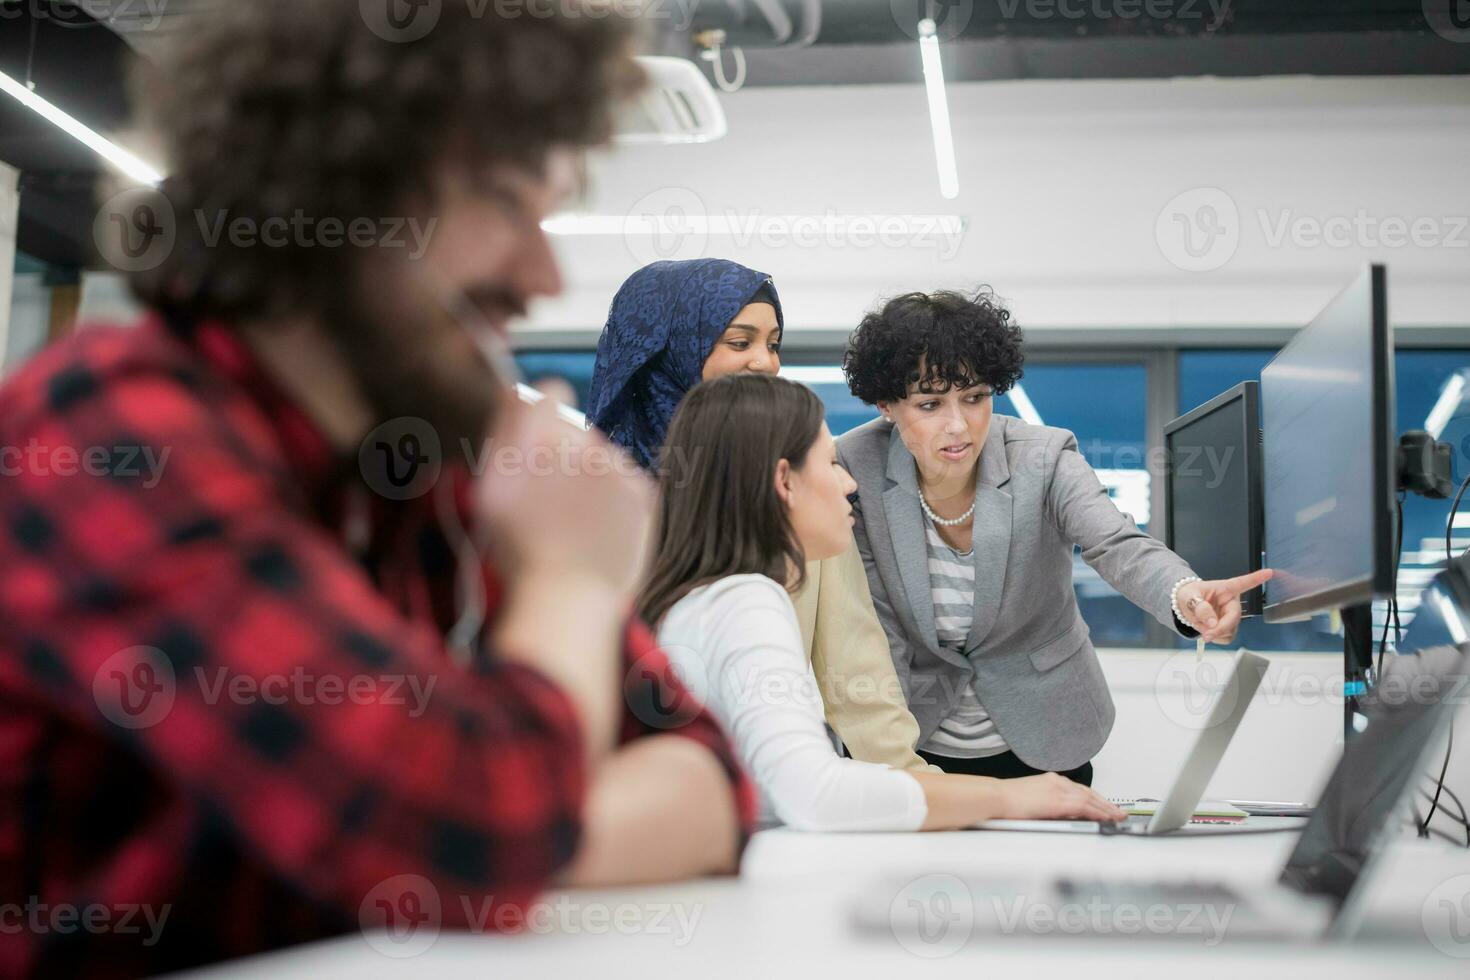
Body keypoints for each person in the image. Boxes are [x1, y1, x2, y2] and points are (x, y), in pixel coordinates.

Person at [0, 4, 755, 976]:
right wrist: (571, 575)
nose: (545, 273)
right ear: (322, 188)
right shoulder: (108, 427)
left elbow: (705, 774)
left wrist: (477, 843)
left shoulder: (422, 465)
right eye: (500, 198)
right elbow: (475, 830)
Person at [637, 374, 1128, 831]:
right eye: (830, 464)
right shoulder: (748, 603)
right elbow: (815, 793)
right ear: (785, 482)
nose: (850, 485)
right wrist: (1010, 799)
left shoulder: (703, 601)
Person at [837, 289, 1273, 784]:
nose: (958, 425)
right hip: (912, 737)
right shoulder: (856, 466)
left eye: (975, 397)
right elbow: (873, 626)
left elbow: (1114, 542)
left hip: (1045, 736)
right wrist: (882, 754)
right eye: (930, 403)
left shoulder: (1042, 457)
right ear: (887, 405)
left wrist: (1184, 593)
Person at [588, 259, 932, 773]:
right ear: (673, 349)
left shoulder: (799, 491)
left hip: (779, 792)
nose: (765, 363)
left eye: (772, 344)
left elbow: (856, 670)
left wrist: (919, 784)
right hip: (630, 790)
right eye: (739, 341)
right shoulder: (598, 504)